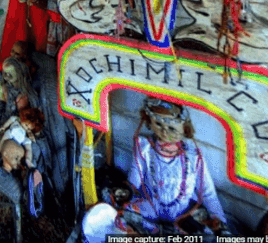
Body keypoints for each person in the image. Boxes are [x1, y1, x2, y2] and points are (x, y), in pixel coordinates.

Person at [82, 99, 231, 241]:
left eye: (172, 128)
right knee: (116, 220)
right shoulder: (144, 147)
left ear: (185, 128)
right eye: (158, 124)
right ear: (148, 122)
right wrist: (125, 192)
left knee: (208, 233)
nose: (165, 132)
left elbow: (208, 193)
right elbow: (133, 183)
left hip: (184, 214)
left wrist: (221, 225)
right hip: (150, 208)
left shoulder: (193, 155)